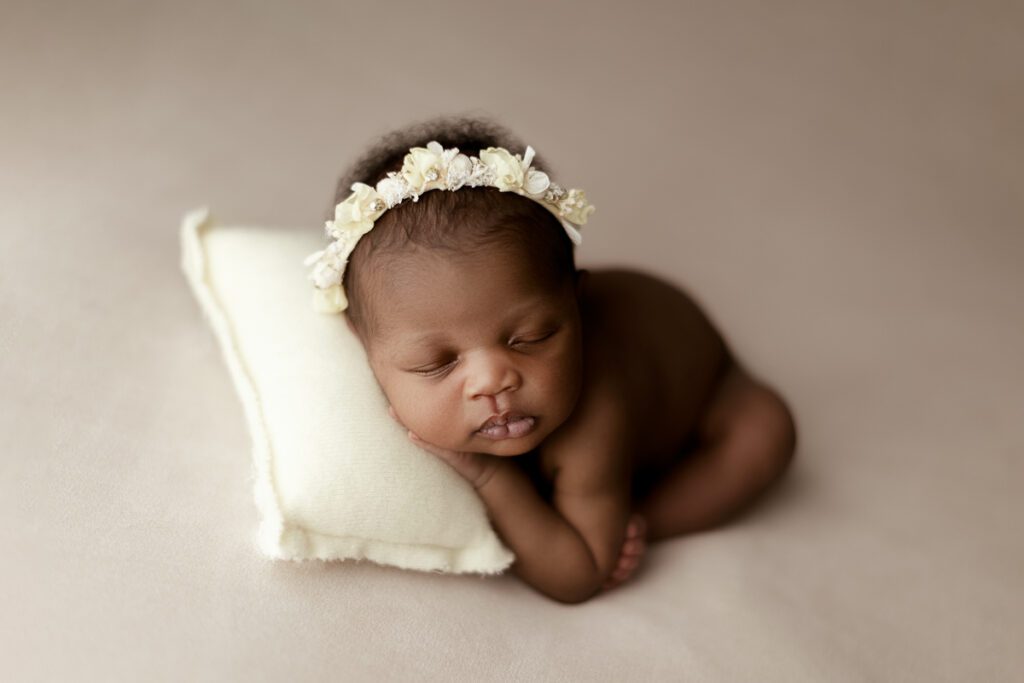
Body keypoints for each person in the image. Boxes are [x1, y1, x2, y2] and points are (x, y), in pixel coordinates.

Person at [305, 115, 797, 604]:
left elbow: (579, 573)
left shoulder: (593, 418)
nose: (493, 381)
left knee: (766, 432)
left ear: (576, 307)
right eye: (437, 362)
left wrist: (491, 478)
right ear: (361, 342)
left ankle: (642, 514)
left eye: (530, 338)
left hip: (707, 394)